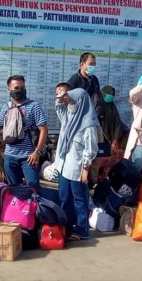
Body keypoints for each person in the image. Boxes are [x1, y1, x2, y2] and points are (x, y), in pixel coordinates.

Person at [0, 75, 48, 189]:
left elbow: (43, 129)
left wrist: (37, 152)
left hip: (29, 157)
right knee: (13, 190)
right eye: (16, 88)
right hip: (10, 157)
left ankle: (34, 207)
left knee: (33, 190)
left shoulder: (34, 106)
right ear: (8, 89)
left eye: (22, 87)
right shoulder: (6, 107)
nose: (19, 90)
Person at [53, 86, 98, 241]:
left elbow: (91, 148)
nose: (67, 101)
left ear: (80, 102)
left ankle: (82, 230)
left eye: (71, 99)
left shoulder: (88, 123)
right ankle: (66, 226)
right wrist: (61, 96)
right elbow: (59, 108)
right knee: (64, 198)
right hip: (65, 167)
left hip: (78, 168)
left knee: (79, 200)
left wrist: (85, 169)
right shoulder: (70, 116)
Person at [99, 85, 125, 155]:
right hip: (100, 140)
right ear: (103, 94)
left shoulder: (112, 105)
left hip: (111, 140)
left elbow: (117, 123)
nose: (111, 96)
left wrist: (116, 139)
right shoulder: (98, 105)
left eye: (112, 95)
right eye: (109, 94)